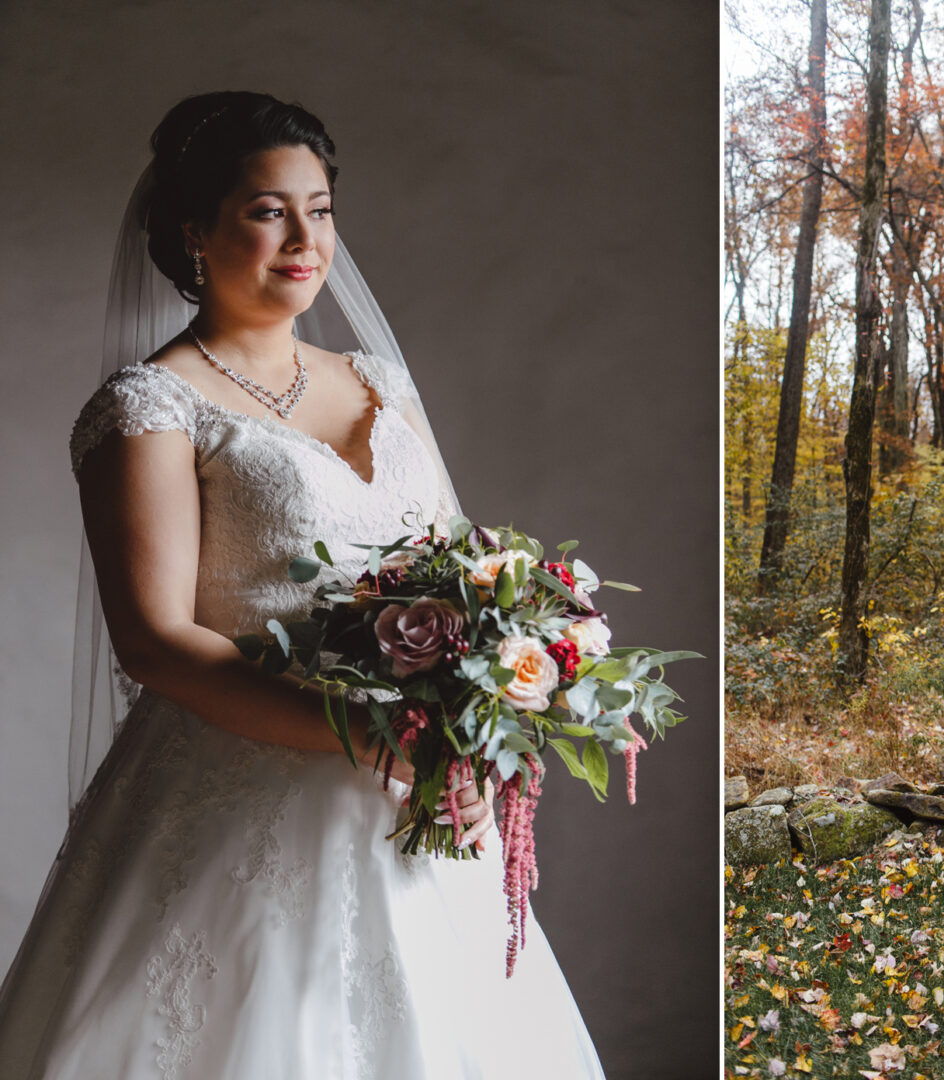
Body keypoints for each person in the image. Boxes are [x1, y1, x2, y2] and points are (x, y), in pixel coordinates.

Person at [0, 91, 606, 1078]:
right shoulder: (151, 404)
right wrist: (363, 733)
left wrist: (474, 737)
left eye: (319, 209)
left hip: (416, 793)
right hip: (244, 780)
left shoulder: (379, 384)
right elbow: (153, 638)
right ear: (194, 228)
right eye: (266, 209)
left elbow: (464, 574)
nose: (303, 238)